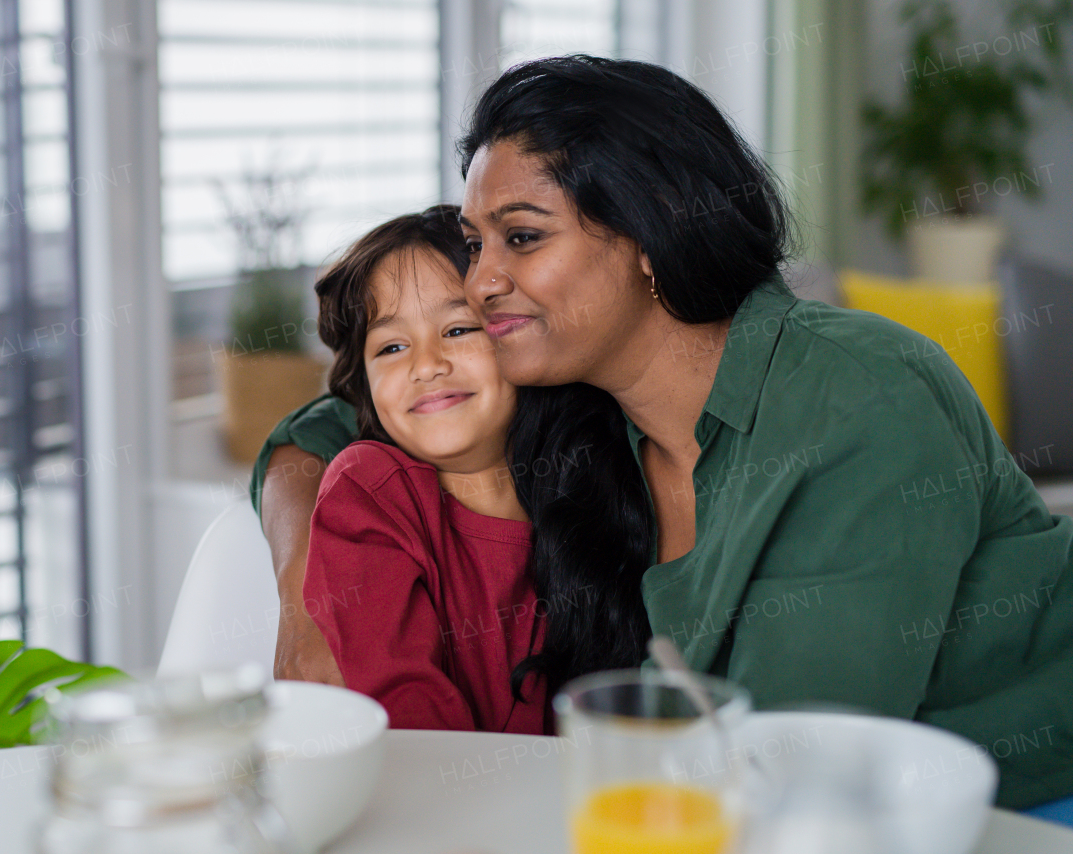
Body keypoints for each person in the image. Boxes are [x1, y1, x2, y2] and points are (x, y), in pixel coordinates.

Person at [254, 56, 1073, 809]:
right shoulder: (579, 397)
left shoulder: (853, 396)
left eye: (523, 237)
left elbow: (790, 771)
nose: (481, 281)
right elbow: (332, 422)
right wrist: (302, 590)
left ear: (651, 234)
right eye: (475, 243)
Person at [298, 204, 651, 733]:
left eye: (459, 330)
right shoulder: (369, 491)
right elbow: (409, 716)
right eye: (391, 346)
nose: (426, 365)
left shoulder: (601, 485)